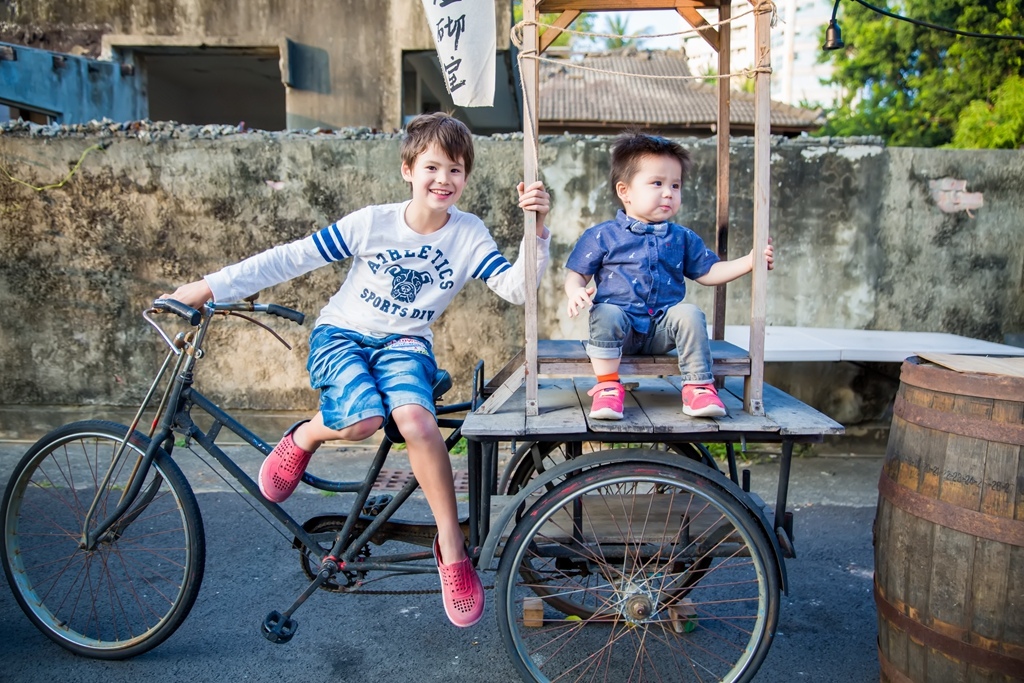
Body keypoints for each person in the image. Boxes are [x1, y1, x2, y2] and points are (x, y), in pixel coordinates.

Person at [163, 113, 551, 628]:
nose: (444, 179)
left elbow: (519, 290)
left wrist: (538, 230)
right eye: (432, 167)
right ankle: (305, 437)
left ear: (465, 177)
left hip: (406, 344)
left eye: (455, 170)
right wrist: (207, 287)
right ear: (408, 169)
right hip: (342, 334)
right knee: (361, 420)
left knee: (416, 422)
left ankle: (451, 551)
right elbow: (290, 258)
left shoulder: (468, 234)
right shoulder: (373, 222)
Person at [564, 131, 773, 420]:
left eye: (676, 185)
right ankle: (608, 388)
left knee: (689, 313)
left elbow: (709, 271)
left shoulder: (682, 237)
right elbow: (576, 274)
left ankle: (698, 387)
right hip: (619, 332)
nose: (668, 193)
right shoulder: (603, 235)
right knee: (605, 311)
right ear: (625, 191)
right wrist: (575, 291)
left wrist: (749, 261)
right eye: (657, 183)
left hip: (663, 331)